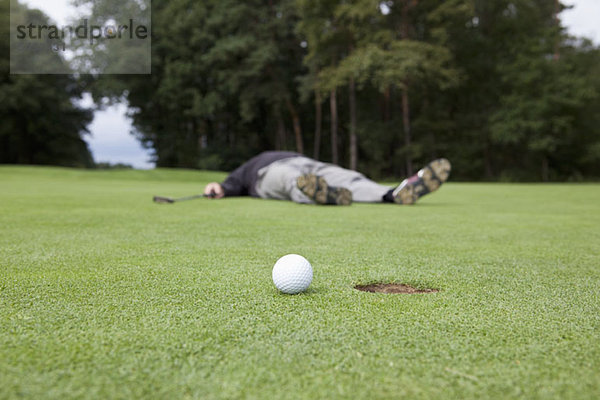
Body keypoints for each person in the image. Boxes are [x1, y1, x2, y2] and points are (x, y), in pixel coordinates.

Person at [203, 151, 451, 206]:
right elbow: (231, 183)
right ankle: (318, 194)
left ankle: (391, 193)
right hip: (268, 175)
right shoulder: (252, 165)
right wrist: (220, 187)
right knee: (294, 179)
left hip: (309, 163)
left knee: (350, 177)